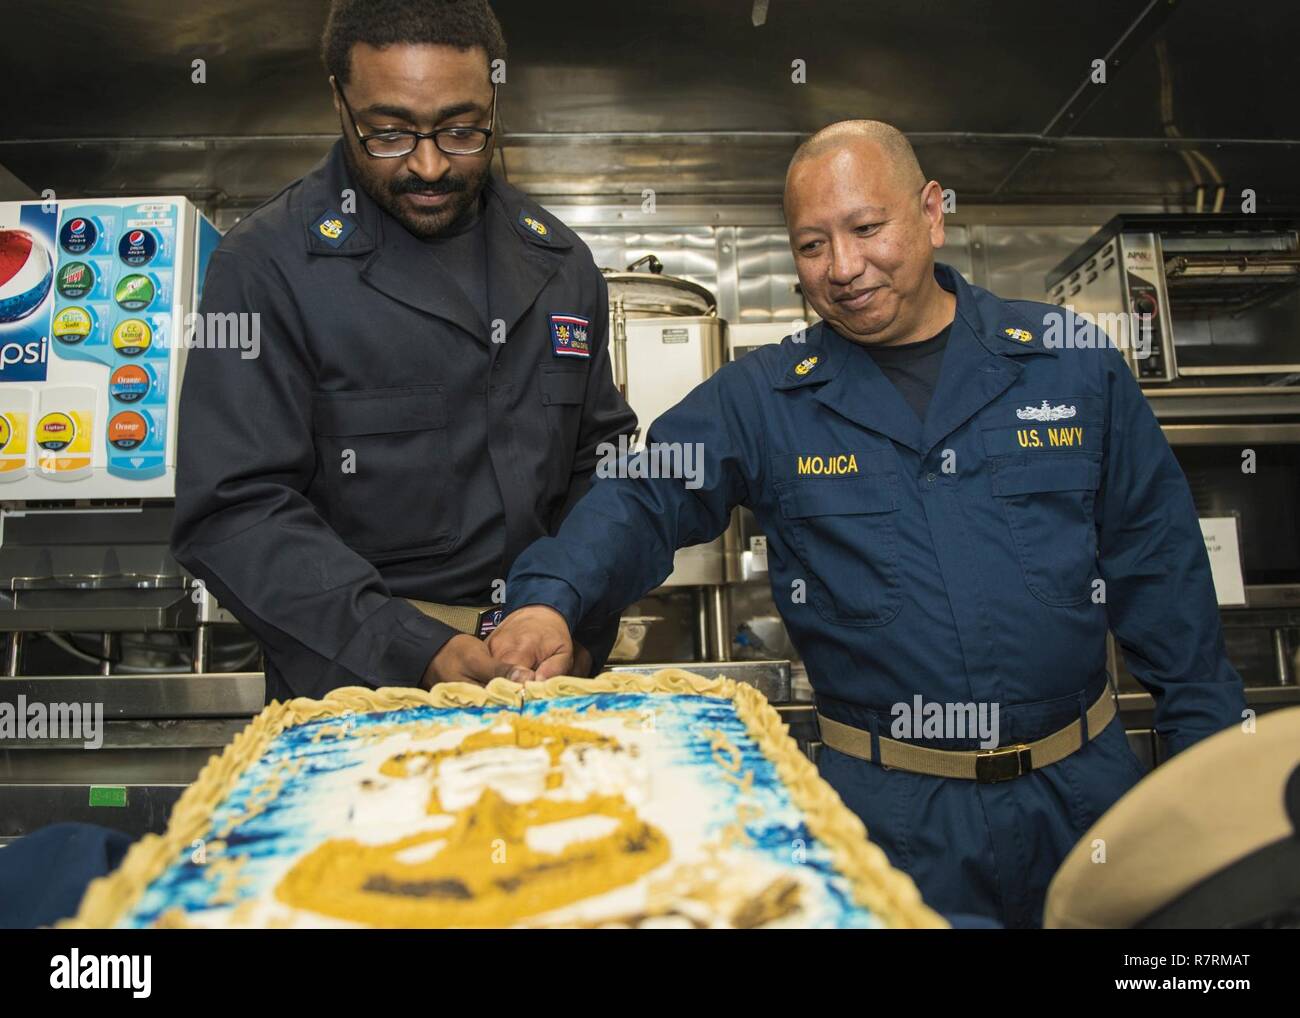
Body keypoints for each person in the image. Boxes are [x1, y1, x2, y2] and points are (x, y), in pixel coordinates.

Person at [487, 120, 1247, 927]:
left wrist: (1215, 801)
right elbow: (643, 493)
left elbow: (1165, 581)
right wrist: (550, 597)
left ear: (931, 213)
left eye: (866, 229)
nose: (843, 269)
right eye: (811, 246)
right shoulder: (766, 397)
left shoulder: (1068, 362)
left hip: (1087, 804)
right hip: (889, 827)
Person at [171, 0, 634, 701]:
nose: (428, 164)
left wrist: (562, 601)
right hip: (357, 693)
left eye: (462, 130)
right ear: (339, 100)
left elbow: (605, 466)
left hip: (546, 682)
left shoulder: (561, 262)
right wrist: (421, 650)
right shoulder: (267, 265)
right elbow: (234, 510)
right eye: (388, 133)